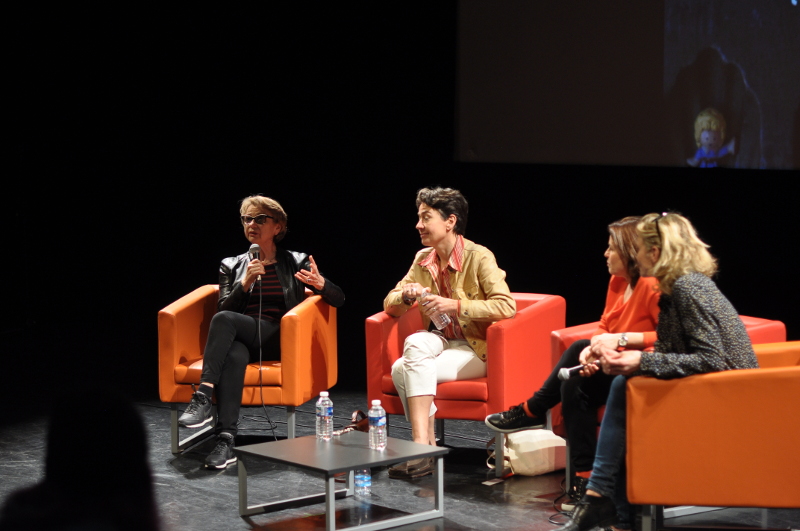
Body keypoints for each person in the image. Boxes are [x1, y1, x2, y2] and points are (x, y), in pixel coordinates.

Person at [559, 212, 758, 531]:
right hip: (710, 386)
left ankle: (603, 503)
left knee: (627, 385)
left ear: (654, 253)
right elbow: (669, 349)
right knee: (626, 385)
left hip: (730, 396)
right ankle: (612, 510)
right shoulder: (673, 286)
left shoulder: (689, 288)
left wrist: (640, 362)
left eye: (638, 248)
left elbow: (712, 359)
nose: (634, 255)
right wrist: (618, 354)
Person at [485, 216, 660, 506]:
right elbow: (605, 324)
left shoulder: (652, 286)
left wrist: (617, 344)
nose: (605, 254)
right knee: (574, 378)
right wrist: (594, 349)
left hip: (641, 367)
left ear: (630, 251)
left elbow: (666, 338)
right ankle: (584, 475)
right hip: (613, 362)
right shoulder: (618, 282)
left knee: (576, 365)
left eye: (611, 248)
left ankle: (534, 410)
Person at [177, 195, 345, 469]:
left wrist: (321, 283)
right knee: (232, 354)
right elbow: (224, 308)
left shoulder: (296, 261)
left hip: (278, 338)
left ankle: (203, 395)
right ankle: (226, 439)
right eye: (246, 219)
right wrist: (245, 282)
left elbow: (338, 299)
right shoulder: (232, 265)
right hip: (243, 338)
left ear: (278, 227)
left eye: (259, 219)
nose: (251, 224)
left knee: (224, 321)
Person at [384, 187, 516, 479]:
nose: (418, 225)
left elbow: (506, 306)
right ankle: (425, 447)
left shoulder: (479, 257)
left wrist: (456, 306)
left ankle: (421, 449)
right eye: (419, 217)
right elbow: (389, 304)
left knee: (400, 368)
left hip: (477, 348)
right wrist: (405, 296)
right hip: (444, 342)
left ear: (450, 221)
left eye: (425, 217)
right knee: (415, 343)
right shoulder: (423, 259)